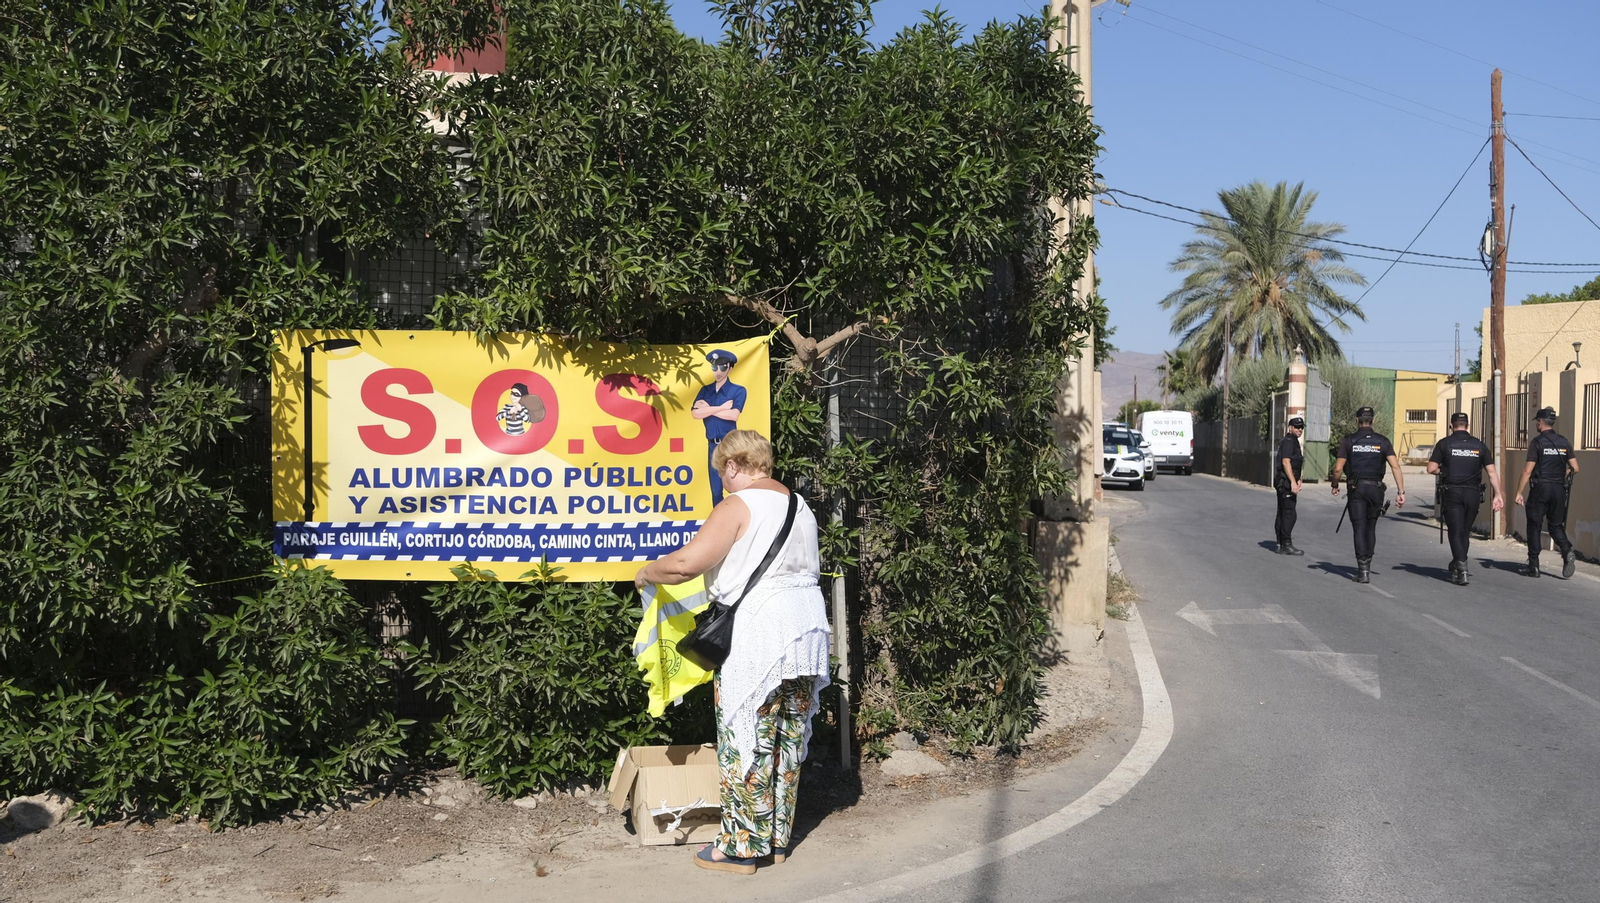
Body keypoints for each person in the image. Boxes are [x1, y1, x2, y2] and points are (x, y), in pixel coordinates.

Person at [633, 430, 830, 875]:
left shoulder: (739, 505)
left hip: (760, 635)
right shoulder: (800, 506)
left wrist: (647, 572)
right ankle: (774, 841)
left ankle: (740, 848)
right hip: (807, 633)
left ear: (734, 465)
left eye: (722, 472)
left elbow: (687, 564)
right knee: (785, 741)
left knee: (746, 738)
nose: (722, 483)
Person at [1427, 412, 1504, 585]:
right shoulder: (1479, 445)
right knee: (1464, 531)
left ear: (1451, 426)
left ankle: (1461, 567)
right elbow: (1492, 472)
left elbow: (1431, 468)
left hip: (1452, 492)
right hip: (1473, 494)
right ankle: (1458, 561)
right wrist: (1498, 494)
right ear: (1468, 426)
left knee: (1455, 531)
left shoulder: (1444, 444)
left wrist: (1443, 471)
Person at [1330, 406, 1406, 584]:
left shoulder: (1348, 441)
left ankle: (1362, 569)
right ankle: (1368, 564)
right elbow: (1395, 467)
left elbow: (1338, 468)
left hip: (1356, 489)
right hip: (1376, 489)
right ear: (1373, 420)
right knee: (1370, 528)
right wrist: (1401, 492)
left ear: (1356, 420)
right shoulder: (1383, 441)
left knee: (1359, 527)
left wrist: (1335, 484)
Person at [1513, 406, 1580, 579]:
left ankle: (1534, 565)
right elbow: (1575, 468)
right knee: (1556, 526)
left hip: (1541, 488)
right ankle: (1566, 550)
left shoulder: (1537, 443)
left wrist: (1519, 492)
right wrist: (1562, 474)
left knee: (1534, 525)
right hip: (1559, 489)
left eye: (1537, 421)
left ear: (1540, 422)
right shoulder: (1564, 441)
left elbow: (1527, 471)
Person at [693, 349, 746, 505]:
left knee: (735, 486)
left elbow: (733, 415)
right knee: (716, 491)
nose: (718, 371)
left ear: (730, 368)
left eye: (722, 367)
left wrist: (707, 409)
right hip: (713, 445)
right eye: (714, 367)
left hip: (730, 445)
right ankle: (720, 518)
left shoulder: (738, 390)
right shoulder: (706, 390)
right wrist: (721, 408)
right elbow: (695, 413)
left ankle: (738, 516)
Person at [1274, 417, 1306, 555]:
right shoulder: (1288, 442)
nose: (1300, 429)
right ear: (1290, 427)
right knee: (1289, 514)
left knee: (1283, 512)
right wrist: (1293, 481)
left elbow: (1296, 463)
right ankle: (1286, 544)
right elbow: (1286, 462)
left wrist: (1299, 479)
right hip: (1285, 482)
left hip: (1287, 480)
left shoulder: (1293, 441)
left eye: (1301, 427)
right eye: (1297, 427)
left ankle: (1280, 543)